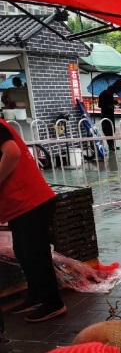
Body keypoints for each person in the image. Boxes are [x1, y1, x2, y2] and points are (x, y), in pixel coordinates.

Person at [0, 119, 67, 323]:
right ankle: (36, 296)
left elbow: (12, 153)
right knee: (23, 252)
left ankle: (53, 303)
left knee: (36, 254)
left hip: (31, 201)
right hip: (18, 205)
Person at [98, 84, 117, 151]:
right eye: (112, 92)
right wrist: (108, 106)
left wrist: (114, 102)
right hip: (105, 114)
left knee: (112, 129)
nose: (112, 94)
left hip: (111, 115)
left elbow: (111, 102)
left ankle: (112, 144)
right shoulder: (102, 95)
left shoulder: (110, 95)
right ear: (109, 90)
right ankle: (110, 145)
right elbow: (100, 105)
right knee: (107, 130)